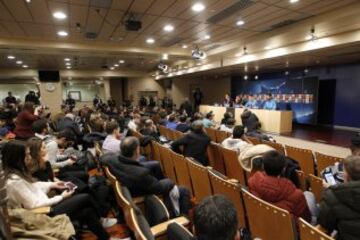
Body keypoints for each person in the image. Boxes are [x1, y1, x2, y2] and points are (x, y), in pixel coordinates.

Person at [2, 140, 122, 240]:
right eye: (26, 155)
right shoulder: (14, 181)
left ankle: (106, 237)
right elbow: (34, 204)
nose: (29, 157)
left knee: (87, 211)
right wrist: (61, 197)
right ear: (17, 158)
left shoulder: (17, 175)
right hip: (44, 214)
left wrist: (52, 185)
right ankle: (102, 216)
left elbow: (33, 187)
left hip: (47, 206)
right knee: (85, 197)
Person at [106, 137, 191, 216]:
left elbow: (102, 158)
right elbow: (159, 187)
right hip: (140, 192)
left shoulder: (111, 160)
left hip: (129, 180)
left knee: (155, 165)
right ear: (137, 151)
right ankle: (183, 217)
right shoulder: (141, 174)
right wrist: (171, 181)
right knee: (184, 190)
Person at [248, 151, 311, 222]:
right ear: (283, 169)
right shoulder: (297, 195)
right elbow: (306, 220)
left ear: (263, 167)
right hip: (289, 231)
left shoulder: (252, 181)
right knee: (308, 194)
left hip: (261, 222)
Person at [318, 155, 360, 240]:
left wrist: (331, 189)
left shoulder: (332, 195)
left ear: (347, 175)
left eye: (343, 171)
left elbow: (325, 224)